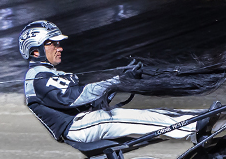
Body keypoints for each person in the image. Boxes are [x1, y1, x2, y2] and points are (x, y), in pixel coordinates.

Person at [19, 20, 205, 144]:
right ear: (35, 51)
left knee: (150, 114)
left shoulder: (51, 74)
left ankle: (203, 116)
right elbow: (73, 98)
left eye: (59, 44)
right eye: (53, 43)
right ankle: (193, 126)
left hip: (87, 120)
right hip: (77, 127)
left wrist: (124, 81)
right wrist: (118, 81)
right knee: (139, 119)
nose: (60, 48)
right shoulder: (37, 77)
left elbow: (92, 100)